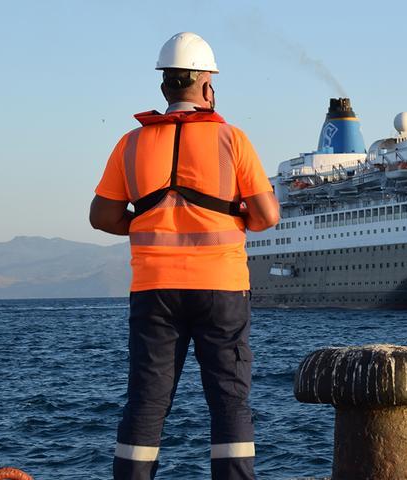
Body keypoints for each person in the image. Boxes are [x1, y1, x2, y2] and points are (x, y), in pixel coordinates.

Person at [89, 32, 279, 480]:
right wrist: (232, 219)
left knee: (148, 401)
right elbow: (268, 215)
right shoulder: (232, 139)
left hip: (154, 289)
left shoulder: (130, 144)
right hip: (222, 289)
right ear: (208, 86)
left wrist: (141, 222)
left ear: (163, 87)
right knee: (229, 399)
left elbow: (101, 216)